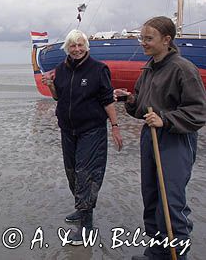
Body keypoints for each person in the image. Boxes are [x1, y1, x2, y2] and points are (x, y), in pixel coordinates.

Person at [118, 16, 206, 260]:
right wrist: (130, 100)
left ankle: (177, 255)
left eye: (148, 38)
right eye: (141, 38)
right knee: (152, 197)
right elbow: (143, 107)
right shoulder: (149, 68)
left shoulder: (183, 69)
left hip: (175, 140)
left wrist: (165, 119)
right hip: (151, 137)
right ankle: (157, 252)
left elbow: (199, 112)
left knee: (170, 201)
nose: (142, 43)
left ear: (166, 40)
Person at [42, 29, 123, 245]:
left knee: (86, 173)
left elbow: (107, 100)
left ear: (86, 46)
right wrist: (50, 85)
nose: (76, 49)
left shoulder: (99, 69)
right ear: (67, 48)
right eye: (72, 46)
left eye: (80, 45)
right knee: (72, 173)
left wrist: (115, 126)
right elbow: (59, 97)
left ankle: (87, 225)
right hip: (68, 130)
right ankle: (81, 208)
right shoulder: (61, 69)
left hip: (92, 130)